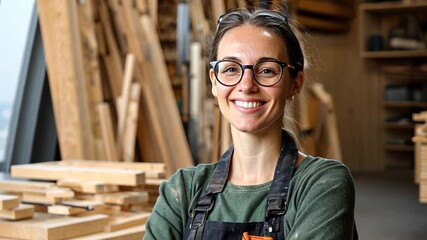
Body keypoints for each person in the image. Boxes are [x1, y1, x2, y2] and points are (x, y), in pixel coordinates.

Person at [144, 4, 357, 240]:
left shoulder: (321, 184)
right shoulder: (183, 190)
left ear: (295, 84)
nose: (246, 85)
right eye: (231, 69)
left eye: (266, 70)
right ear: (214, 82)